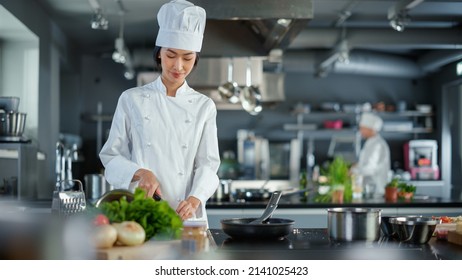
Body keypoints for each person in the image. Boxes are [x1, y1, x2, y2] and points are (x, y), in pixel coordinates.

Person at [99, 0, 220, 223]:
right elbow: (111, 155)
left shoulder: (204, 106)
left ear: (196, 59)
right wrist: (141, 173)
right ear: (159, 54)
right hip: (143, 212)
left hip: (187, 215)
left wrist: (195, 199)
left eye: (187, 58)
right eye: (171, 55)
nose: (178, 66)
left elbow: (208, 165)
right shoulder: (131, 99)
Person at [351, 112, 391, 197]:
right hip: (369, 189)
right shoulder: (370, 142)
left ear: (370, 129)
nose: (360, 131)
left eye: (362, 128)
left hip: (376, 190)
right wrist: (356, 166)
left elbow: (370, 168)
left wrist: (353, 172)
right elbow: (365, 163)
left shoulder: (377, 145)